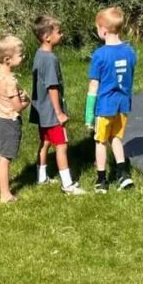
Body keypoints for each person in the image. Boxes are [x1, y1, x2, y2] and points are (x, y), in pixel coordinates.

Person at [84, 6, 137, 193]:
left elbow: (93, 87)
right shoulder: (130, 51)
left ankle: (101, 180)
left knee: (100, 142)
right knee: (116, 139)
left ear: (103, 30)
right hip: (123, 105)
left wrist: (89, 115)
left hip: (104, 106)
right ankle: (123, 175)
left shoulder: (99, 55)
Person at [30, 14, 85, 195]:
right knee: (61, 146)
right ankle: (67, 185)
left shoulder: (39, 54)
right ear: (47, 37)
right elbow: (52, 87)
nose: (62, 35)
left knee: (45, 142)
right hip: (51, 112)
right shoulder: (50, 59)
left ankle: (41, 176)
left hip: (40, 111)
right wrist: (59, 112)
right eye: (59, 32)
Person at [0, 35, 30, 203]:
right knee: (6, 158)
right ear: (7, 59)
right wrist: (26, 101)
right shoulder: (10, 80)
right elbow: (17, 106)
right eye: (20, 55)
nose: (23, 57)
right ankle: (5, 194)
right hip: (9, 121)